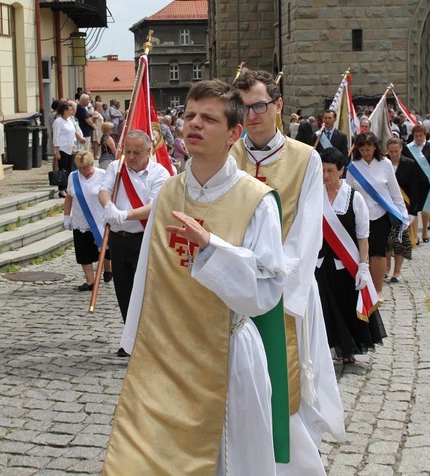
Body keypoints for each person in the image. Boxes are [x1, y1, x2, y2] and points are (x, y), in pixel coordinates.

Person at [104, 79, 288, 474]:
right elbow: (148, 279)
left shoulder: (256, 200)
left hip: (228, 354)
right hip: (168, 354)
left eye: (209, 118)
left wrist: (211, 247)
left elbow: (265, 291)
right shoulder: (168, 193)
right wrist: (136, 341)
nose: (194, 124)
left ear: (234, 133)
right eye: (189, 115)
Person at [231, 69, 345, 474]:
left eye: (260, 105)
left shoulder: (305, 158)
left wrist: (272, 282)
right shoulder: (229, 156)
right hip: (234, 292)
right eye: (243, 108)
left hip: (286, 293)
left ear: (278, 106)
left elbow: (306, 233)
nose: (252, 115)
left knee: (288, 385)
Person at [101, 130, 170, 355]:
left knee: (146, 290)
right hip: (119, 240)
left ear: (149, 151)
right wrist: (108, 206)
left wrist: (125, 215)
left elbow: (155, 205)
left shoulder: (160, 173)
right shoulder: (117, 168)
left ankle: (150, 339)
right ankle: (129, 340)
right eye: (128, 151)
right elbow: (104, 190)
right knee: (124, 290)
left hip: (144, 238)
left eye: (137, 152)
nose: (130, 156)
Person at [316, 147, 385, 365]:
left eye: (330, 171)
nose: (326, 176)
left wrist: (363, 266)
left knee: (344, 307)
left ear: (341, 170)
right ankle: (323, 349)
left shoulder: (354, 199)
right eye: (323, 170)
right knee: (323, 308)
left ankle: (347, 348)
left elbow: (363, 237)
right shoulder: (313, 195)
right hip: (319, 264)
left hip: (345, 264)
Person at [347, 131, 408, 300]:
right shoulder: (353, 167)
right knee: (362, 253)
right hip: (360, 216)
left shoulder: (386, 164)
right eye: (362, 149)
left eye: (369, 149)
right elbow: (348, 192)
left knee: (379, 253)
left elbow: (395, 192)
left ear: (375, 147)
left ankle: (378, 288)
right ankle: (364, 288)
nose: (366, 152)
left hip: (380, 215)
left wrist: (403, 214)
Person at [63, 150, 112, 290]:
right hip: (81, 220)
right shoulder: (73, 177)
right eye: (79, 167)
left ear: (92, 164)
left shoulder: (103, 175)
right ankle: (90, 281)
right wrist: (67, 216)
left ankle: (108, 269)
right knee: (84, 251)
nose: (82, 171)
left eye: (85, 167)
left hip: (100, 219)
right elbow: (69, 197)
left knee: (106, 249)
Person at [385, 137, 428, 283]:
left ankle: (397, 272)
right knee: (385, 241)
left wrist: (413, 212)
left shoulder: (409, 164)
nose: (394, 154)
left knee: (400, 241)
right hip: (385, 207)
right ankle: (386, 268)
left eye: (396, 151)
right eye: (391, 151)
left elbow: (415, 189)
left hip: (404, 207)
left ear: (401, 149)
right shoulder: (383, 163)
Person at [404, 124, 430, 241]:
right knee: (413, 209)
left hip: (426, 183)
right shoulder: (408, 148)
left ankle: (425, 230)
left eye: (421, 136)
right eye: (416, 136)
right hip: (412, 183)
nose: (419, 138)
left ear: (425, 135)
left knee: (426, 208)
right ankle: (415, 234)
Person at [52, 102, 80, 197]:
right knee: (62, 169)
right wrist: (57, 151)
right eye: (70, 110)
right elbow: (56, 136)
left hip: (70, 148)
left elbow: (73, 133)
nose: (72, 111)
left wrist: (74, 145)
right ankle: (61, 189)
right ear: (65, 111)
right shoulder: (58, 121)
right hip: (62, 148)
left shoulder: (69, 121)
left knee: (69, 169)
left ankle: (68, 187)